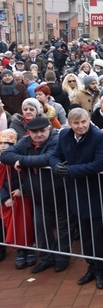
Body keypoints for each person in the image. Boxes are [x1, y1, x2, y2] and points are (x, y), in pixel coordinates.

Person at [51, 108, 103, 289]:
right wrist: (56, 167)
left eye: (83, 122)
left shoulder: (99, 137)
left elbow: (100, 163)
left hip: (95, 191)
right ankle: (91, 267)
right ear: (70, 124)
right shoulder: (64, 136)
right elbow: (54, 155)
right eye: (76, 123)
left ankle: (101, 271)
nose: (80, 126)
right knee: (84, 235)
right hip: (76, 191)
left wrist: (70, 171)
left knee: (97, 235)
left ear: (88, 121)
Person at [0, 117, 66, 273]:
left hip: (59, 193)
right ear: (29, 132)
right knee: (42, 228)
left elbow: (48, 158)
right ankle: (47, 258)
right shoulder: (25, 141)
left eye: (43, 131)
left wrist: (21, 161)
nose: (39, 135)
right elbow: (5, 155)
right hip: (37, 195)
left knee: (63, 229)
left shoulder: (57, 139)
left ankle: (62, 258)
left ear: (49, 128)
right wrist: (24, 160)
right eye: (35, 132)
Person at [0, 129, 35, 270]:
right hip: (8, 200)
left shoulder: (19, 160)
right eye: (0, 143)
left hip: (23, 197)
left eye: (7, 143)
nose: (3, 146)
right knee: (12, 226)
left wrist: (22, 189)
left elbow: (28, 178)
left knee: (27, 223)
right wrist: (4, 198)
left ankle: (29, 248)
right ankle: (19, 250)